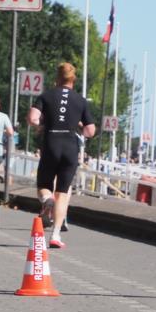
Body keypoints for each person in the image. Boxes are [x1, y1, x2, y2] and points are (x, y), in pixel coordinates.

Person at [29, 62, 96, 248]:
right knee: (63, 193)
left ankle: (46, 200)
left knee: (44, 185)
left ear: (57, 78)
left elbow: (32, 118)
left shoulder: (46, 96)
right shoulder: (81, 100)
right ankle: (56, 236)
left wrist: (40, 126)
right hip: (70, 146)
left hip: (51, 143)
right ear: (73, 79)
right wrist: (78, 127)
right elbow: (91, 131)